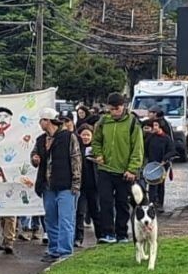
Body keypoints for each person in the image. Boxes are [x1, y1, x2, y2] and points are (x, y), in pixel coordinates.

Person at [92, 93, 145, 244]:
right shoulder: (103, 121)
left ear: (124, 107)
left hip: (124, 171)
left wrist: (132, 169)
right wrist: (99, 155)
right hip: (105, 169)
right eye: (112, 108)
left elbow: (138, 148)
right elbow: (96, 141)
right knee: (105, 202)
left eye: (117, 108)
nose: (115, 111)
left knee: (122, 203)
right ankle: (108, 233)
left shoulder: (132, 123)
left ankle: (122, 233)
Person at [32, 108, 82, 262]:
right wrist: (34, 158)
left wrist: (76, 183)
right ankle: (53, 250)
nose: (40, 123)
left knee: (66, 219)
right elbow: (34, 155)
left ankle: (65, 252)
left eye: (41, 120)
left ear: (47, 121)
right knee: (50, 219)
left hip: (66, 186)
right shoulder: (40, 140)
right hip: (47, 186)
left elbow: (76, 160)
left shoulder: (69, 137)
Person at [75, 124, 101, 247]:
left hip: (94, 186)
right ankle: (78, 238)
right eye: (83, 134)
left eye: (88, 135)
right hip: (80, 186)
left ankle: (100, 236)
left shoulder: (96, 149)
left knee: (96, 211)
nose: (85, 137)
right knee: (79, 212)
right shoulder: (75, 148)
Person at [144, 118, 176, 212]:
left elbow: (172, 150)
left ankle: (160, 203)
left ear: (161, 127)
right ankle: (152, 202)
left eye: (156, 125)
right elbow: (145, 148)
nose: (154, 127)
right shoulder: (150, 137)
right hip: (152, 163)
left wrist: (165, 159)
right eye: (153, 125)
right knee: (152, 183)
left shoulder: (166, 138)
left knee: (160, 184)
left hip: (162, 164)